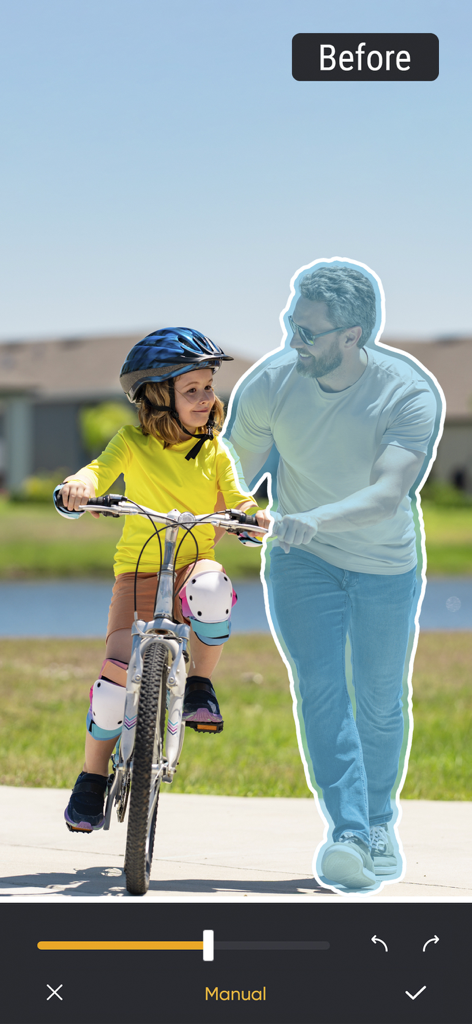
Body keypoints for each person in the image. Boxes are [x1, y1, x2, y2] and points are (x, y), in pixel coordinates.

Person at [229, 264, 440, 891]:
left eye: (308, 332)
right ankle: (347, 834)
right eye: (291, 324)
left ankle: (379, 824)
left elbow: (387, 493)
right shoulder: (270, 383)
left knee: (377, 699)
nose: (294, 340)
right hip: (302, 562)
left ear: (352, 336)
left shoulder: (407, 393)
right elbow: (231, 475)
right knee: (322, 689)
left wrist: (311, 518)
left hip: (383, 563)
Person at [59, 327, 269, 834]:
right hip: (139, 573)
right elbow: (97, 471)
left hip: (194, 564)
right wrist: (79, 487)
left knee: (214, 590)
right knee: (112, 686)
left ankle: (199, 683)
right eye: (191, 389)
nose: (205, 398)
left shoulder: (215, 450)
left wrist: (251, 516)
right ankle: (91, 780)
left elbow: (239, 498)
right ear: (159, 396)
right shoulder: (132, 442)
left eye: (208, 386)